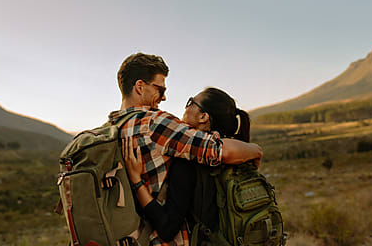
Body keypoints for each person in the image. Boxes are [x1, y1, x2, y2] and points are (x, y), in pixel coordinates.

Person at [109, 53, 262, 245]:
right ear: (140, 87)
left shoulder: (113, 128)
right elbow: (220, 150)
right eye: (160, 89)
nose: (164, 97)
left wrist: (137, 182)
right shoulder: (154, 123)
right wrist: (255, 150)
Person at [123, 87, 251, 244]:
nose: (186, 107)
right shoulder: (232, 152)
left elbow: (167, 228)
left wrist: (136, 181)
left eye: (191, 102)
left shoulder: (189, 159)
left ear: (203, 117)